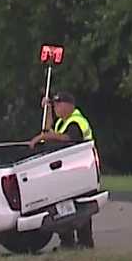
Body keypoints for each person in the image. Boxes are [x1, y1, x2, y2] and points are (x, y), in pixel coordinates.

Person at [27, 91, 95, 249]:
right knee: (62, 208)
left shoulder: (77, 121)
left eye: (58, 104)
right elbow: (49, 129)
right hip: (66, 171)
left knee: (80, 206)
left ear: (69, 105)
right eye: (55, 104)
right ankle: (67, 242)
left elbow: (68, 138)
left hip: (80, 170)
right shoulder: (62, 122)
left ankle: (85, 242)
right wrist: (48, 109)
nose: (57, 107)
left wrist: (45, 137)